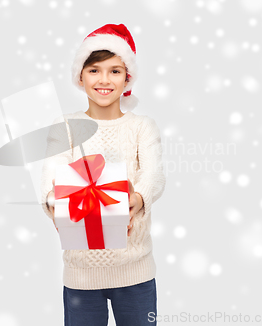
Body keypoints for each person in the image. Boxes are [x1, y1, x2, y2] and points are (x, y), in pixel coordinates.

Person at [40, 23, 166, 326]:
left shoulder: (141, 127)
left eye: (115, 71)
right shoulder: (65, 126)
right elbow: (51, 180)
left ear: (128, 78)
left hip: (134, 271)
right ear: (80, 77)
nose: (104, 80)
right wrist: (58, 203)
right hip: (82, 274)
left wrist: (136, 198)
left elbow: (154, 176)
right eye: (94, 70)